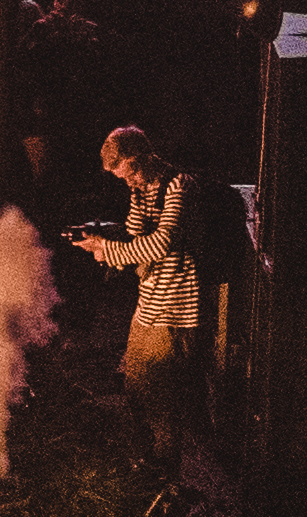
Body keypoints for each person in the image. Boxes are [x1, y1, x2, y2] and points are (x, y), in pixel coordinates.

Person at [75, 124, 210, 458]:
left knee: (163, 400)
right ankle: (147, 468)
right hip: (149, 303)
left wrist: (108, 249)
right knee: (136, 388)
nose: (128, 181)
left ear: (145, 156)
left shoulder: (179, 186)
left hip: (177, 308)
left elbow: (162, 242)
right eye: (122, 178)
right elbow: (136, 240)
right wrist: (105, 245)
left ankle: (169, 478)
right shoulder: (141, 190)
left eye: (131, 172)